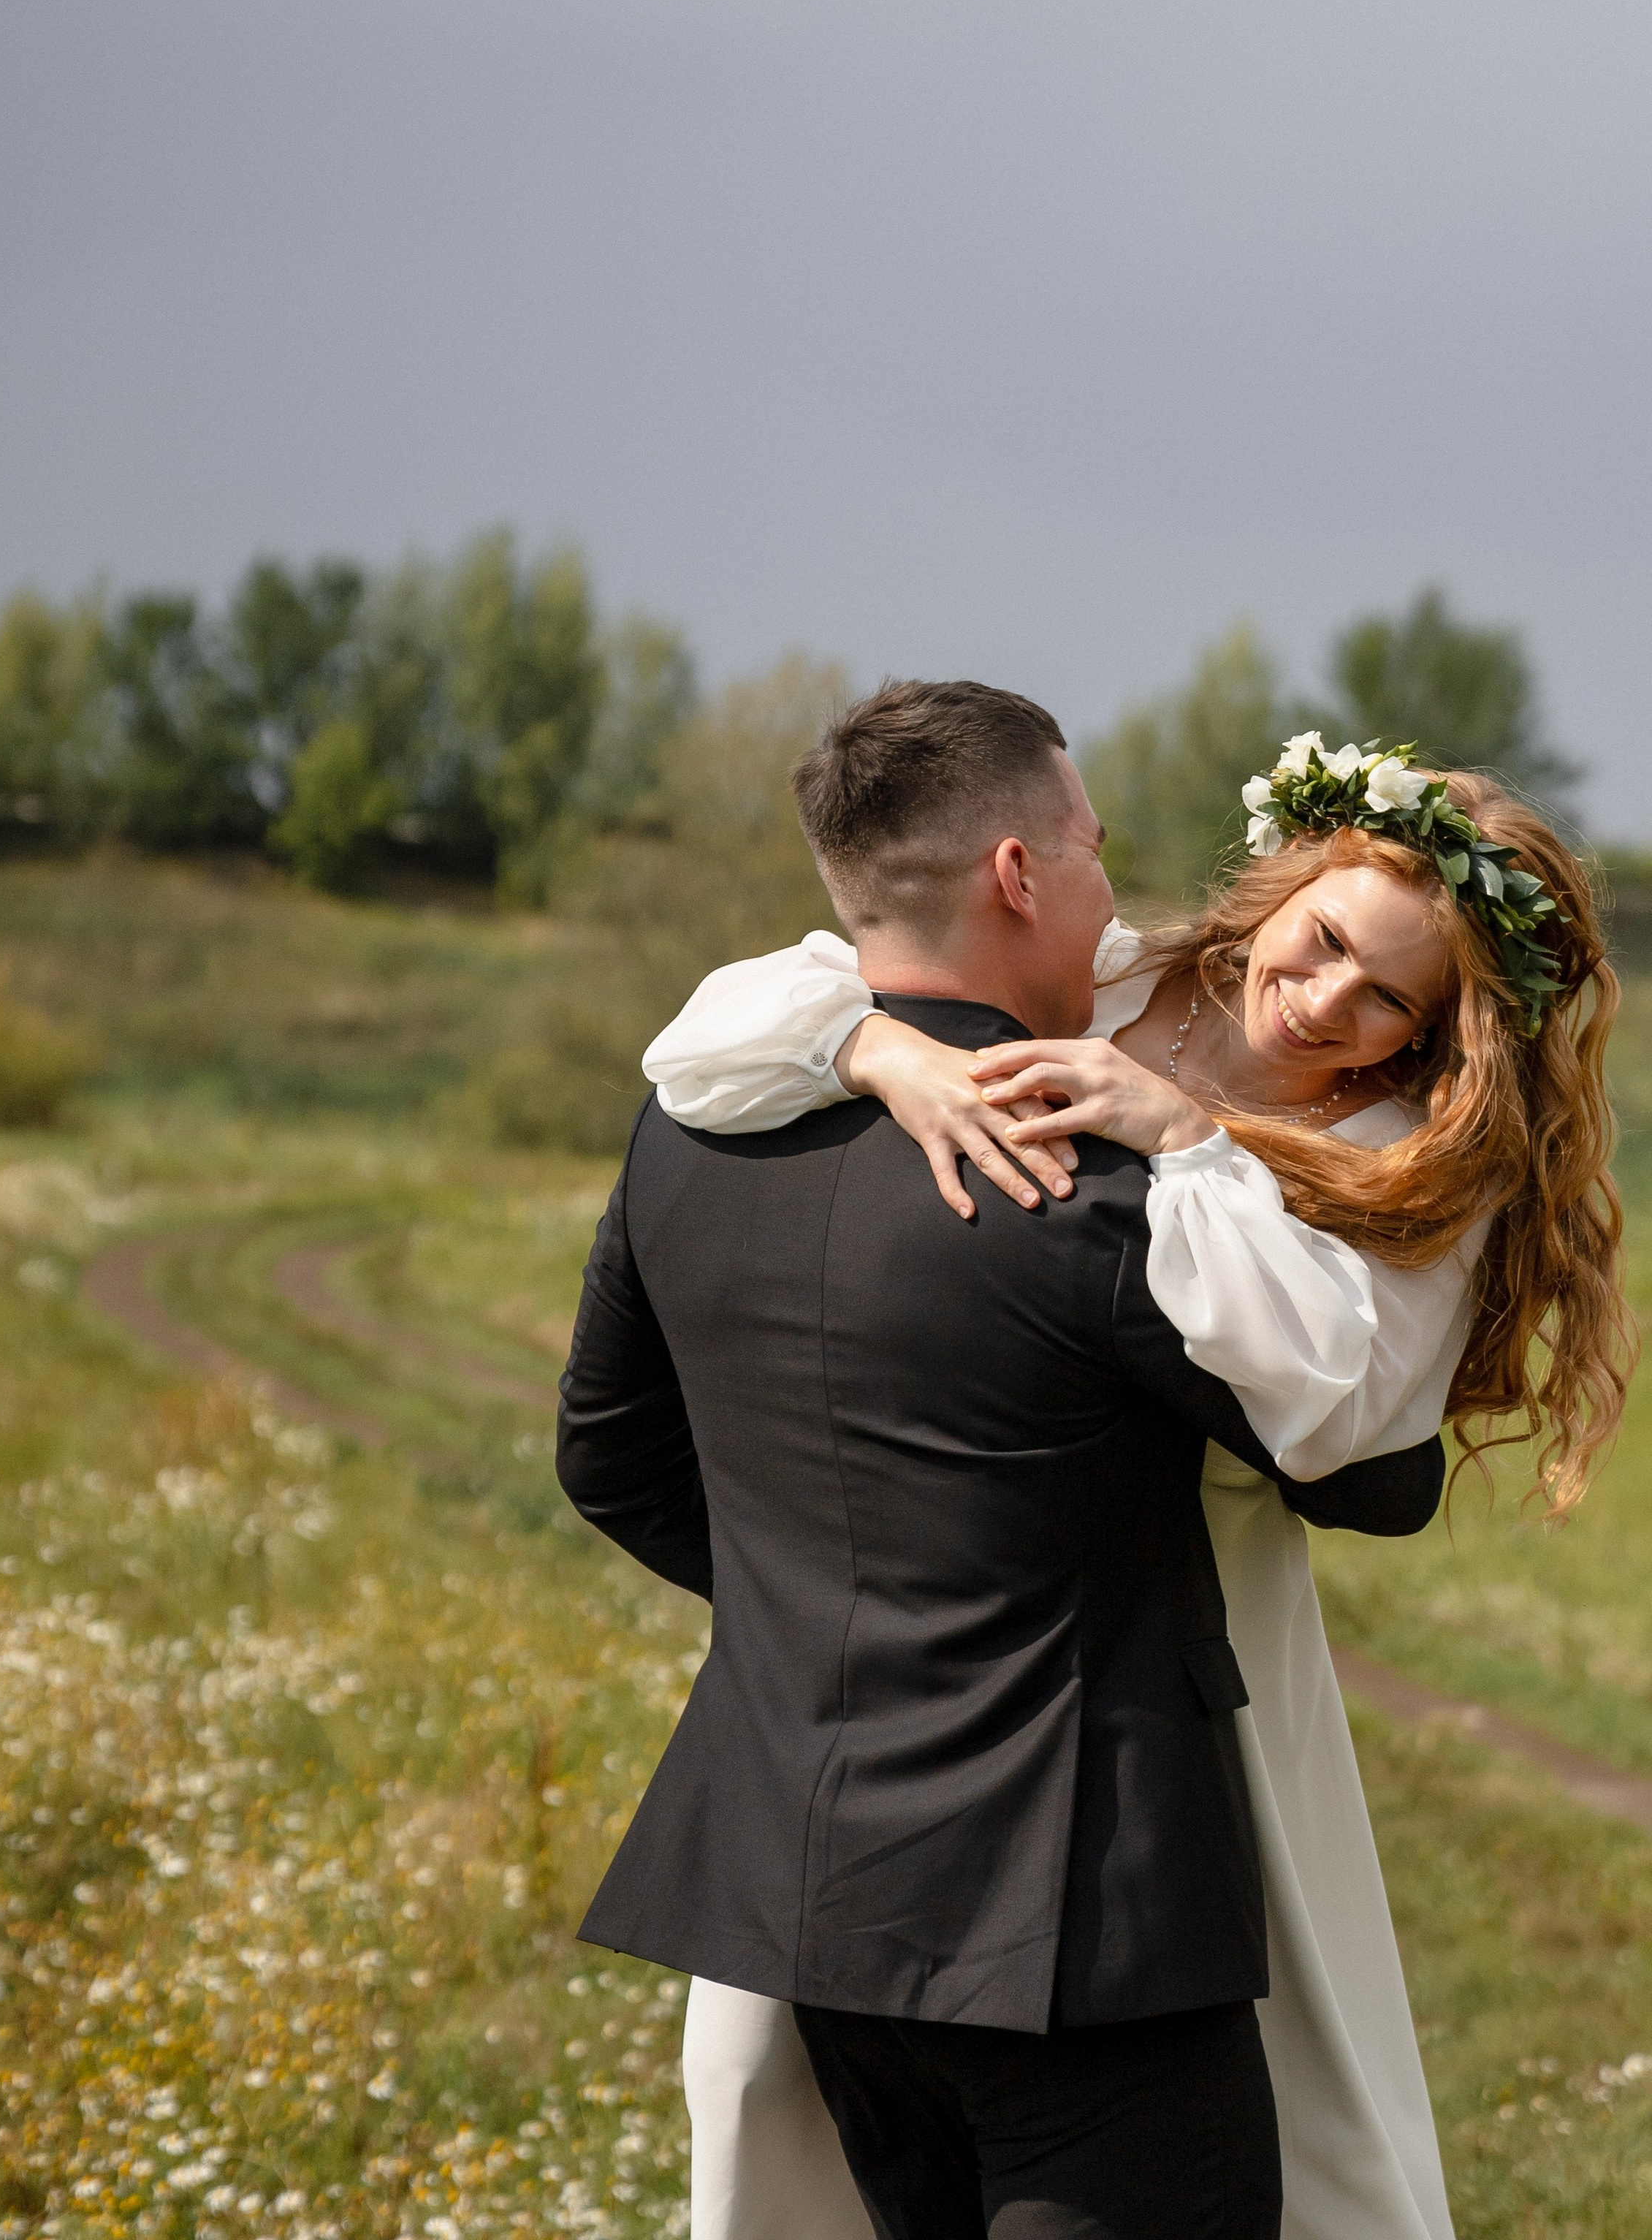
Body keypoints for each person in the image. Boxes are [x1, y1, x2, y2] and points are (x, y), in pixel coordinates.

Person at [642, 692, 1631, 2240]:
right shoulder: (1103, 973)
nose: (1321, 1005)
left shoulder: (1411, 1159)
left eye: (1385, 999)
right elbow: (723, 1023)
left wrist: (1189, 1142)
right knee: (787, 2101)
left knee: (1266, 2119)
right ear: (1281, 883)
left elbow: (1350, 1416)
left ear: (1438, 1033)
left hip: (1182, 1657)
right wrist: (871, 1052)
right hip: (921, 1630)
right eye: (1316, 943)